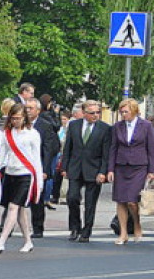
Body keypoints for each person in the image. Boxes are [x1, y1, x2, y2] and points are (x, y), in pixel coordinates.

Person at [0, 103, 43, 253]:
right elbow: (1, 157)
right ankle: (28, 241)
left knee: (13, 207)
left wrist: (39, 182)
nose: (15, 121)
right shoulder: (6, 134)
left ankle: (1, 241)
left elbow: (37, 159)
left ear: (24, 117)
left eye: (18, 118)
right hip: (11, 174)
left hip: (26, 175)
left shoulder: (33, 134)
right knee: (19, 211)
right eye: (13, 118)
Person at [60, 99, 110, 243]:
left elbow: (106, 154)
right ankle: (75, 227)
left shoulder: (105, 128)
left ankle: (86, 231)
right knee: (72, 198)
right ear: (84, 113)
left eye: (98, 112)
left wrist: (103, 172)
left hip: (94, 170)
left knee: (90, 203)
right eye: (92, 113)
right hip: (75, 168)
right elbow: (68, 148)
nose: (95, 115)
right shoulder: (74, 125)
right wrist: (64, 167)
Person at [107, 98, 154, 244]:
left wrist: (151, 170)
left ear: (134, 111)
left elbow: (151, 149)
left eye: (126, 111)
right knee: (121, 200)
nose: (123, 114)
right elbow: (113, 148)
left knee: (132, 201)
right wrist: (110, 169)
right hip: (121, 166)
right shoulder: (117, 126)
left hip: (139, 166)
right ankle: (123, 233)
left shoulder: (146, 125)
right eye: (121, 112)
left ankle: (137, 224)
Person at [25, 98, 59, 237]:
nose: (27, 111)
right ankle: (6, 224)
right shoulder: (20, 124)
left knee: (36, 199)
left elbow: (48, 150)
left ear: (38, 111)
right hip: (22, 166)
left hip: (38, 166)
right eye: (26, 108)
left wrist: (45, 170)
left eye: (31, 108)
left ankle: (38, 228)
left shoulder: (45, 126)